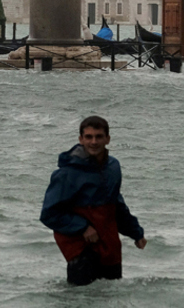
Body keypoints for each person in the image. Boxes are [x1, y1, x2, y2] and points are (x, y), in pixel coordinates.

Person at [40, 116, 146, 286]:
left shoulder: (113, 167)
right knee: (82, 300)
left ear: (108, 139)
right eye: (88, 137)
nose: (94, 141)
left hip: (109, 245)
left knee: (110, 297)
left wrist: (136, 232)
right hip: (80, 248)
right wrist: (83, 227)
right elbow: (49, 214)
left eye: (98, 136)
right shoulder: (66, 173)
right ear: (80, 139)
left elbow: (116, 204)